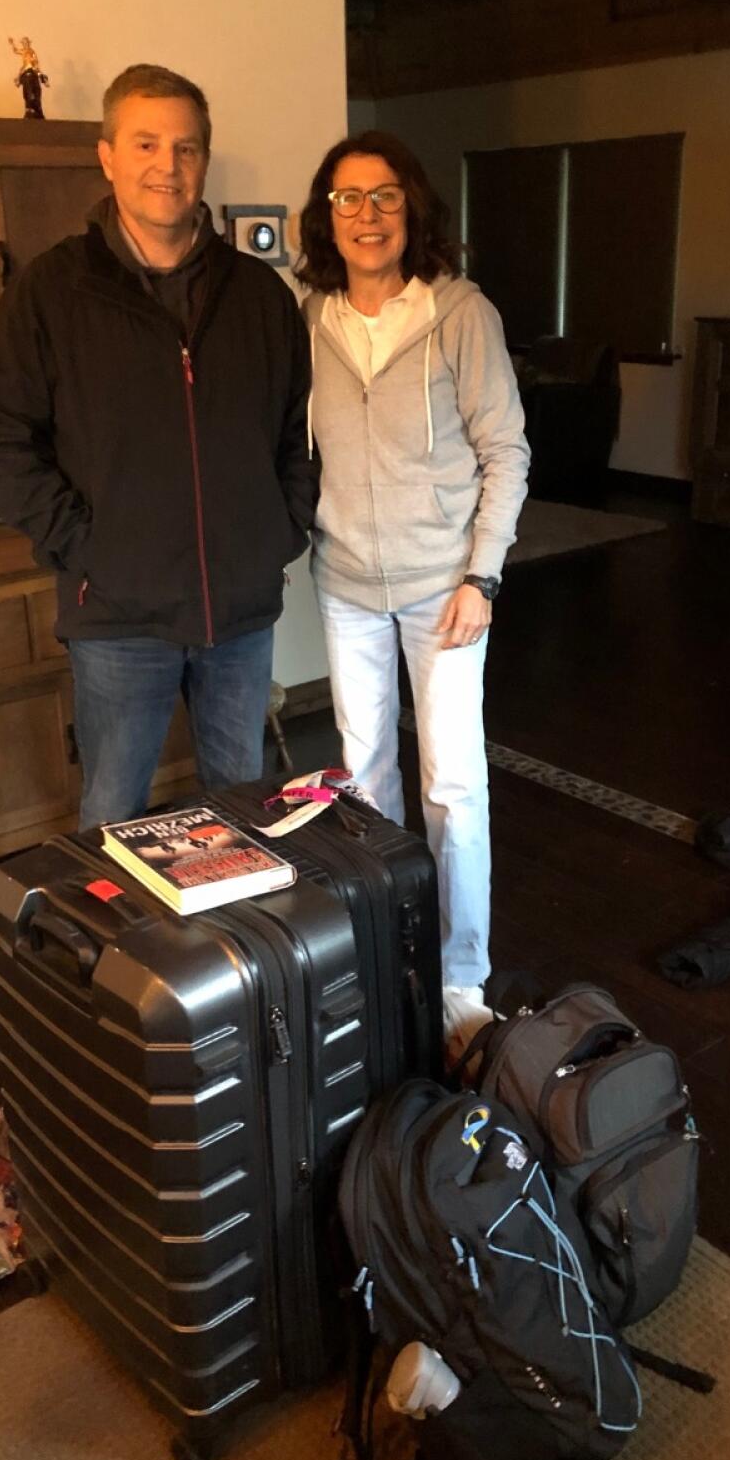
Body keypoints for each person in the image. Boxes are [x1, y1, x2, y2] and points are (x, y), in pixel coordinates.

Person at [0, 65, 317, 827]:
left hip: (240, 611)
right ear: (108, 156)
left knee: (242, 810)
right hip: (118, 613)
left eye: (186, 148)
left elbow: (299, 428)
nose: (168, 166)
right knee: (113, 812)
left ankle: (232, 948)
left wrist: (280, 530)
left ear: (204, 161)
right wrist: (88, 546)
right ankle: (116, 949)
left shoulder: (259, 295)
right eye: (147, 144)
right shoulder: (52, 293)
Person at [294, 130, 529, 1027]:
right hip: (345, 580)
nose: (366, 215)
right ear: (327, 215)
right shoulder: (309, 316)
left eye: (383, 196)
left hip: (445, 588)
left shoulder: (460, 313)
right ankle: (384, 944)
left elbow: (505, 451)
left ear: (411, 208)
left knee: (452, 784)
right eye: (348, 198)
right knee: (363, 779)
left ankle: (461, 977)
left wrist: (485, 576)